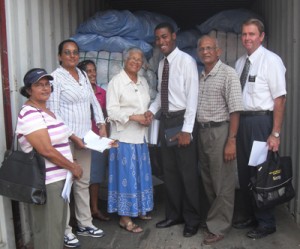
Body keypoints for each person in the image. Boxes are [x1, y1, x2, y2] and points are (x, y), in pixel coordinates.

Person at [47, 39, 107, 248]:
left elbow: (93, 101)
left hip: (85, 138)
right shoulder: (55, 79)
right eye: (67, 52)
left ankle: (85, 223)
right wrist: (74, 137)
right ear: (60, 56)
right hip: (66, 140)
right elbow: (54, 115)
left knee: (83, 180)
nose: (72, 56)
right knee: (66, 185)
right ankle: (65, 230)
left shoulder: (81, 74)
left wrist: (101, 124)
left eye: (75, 52)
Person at [145, 22, 202, 237]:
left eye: (164, 37)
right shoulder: (162, 64)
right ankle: (174, 214)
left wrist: (187, 130)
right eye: (158, 39)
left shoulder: (186, 62)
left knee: (188, 173)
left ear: (174, 37)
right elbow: (162, 95)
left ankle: (192, 219)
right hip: (167, 122)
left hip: (183, 121)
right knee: (169, 172)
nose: (161, 42)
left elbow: (193, 97)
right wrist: (152, 110)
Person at [16, 68, 83, 249]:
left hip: (60, 180)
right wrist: (72, 166)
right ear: (29, 90)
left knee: (57, 230)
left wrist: (70, 164)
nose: (45, 89)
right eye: (39, 85)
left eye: (47, 84)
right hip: (47, 182)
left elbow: (62, 140)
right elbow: (46, 150)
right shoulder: (29, 113)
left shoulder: (48, 111)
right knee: (48, 233)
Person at [233, 18, 287, 239]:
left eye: (252, 34)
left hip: (261, 122)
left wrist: (275, 133)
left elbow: (280, 99)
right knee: (245, 172)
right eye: (244, 34)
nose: (247, 38)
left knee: (261, 173)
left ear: (261, 36)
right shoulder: (239, 63)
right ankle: (250, 216)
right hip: (243, 122)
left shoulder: (271, 61)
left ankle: (266, 222)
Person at [196, 36, 244, 244]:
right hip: (203, 132)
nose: (205, 52)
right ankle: (213, 219)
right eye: (202, 49)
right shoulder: (201, 75)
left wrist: (231, 140)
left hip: (221, 132)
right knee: (207, 179)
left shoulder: (228, 74)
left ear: (218, 51)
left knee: (222, 181)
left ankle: (219, 226)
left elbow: (235, 110)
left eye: (209, 48)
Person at [106, 47, 153, 233]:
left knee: (140, 174)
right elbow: (111, 111)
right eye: (132, 58)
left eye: (139, 59)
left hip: (140, 137)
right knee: (126, 176)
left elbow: (145, 106)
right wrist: (135, 117)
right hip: (123, 138)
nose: (135, 61)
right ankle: (125, 218)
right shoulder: (116, 82)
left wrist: (147, 115)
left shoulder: (142, 82)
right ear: (125, 60)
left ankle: (138, 208)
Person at [77, 60, 110, 222]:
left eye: (94, 70)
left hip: (97, 139)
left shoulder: (102, 93)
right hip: (81, 140)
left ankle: (95, 209)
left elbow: (106, 117)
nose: (92, 74)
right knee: (81, 177)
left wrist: (107, 139)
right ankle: (81, 214)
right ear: (82, 74)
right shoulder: (78, 93)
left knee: (96, 176)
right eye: (88, 71)